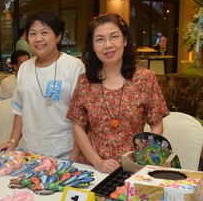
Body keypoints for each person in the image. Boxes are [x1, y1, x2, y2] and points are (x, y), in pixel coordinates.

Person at [67, 12, 169, 174]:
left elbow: (156, 123)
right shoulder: (84, 82)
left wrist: (144, 157)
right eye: (100, 39)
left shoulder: (145, 78)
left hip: (133, 168)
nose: (108, 45)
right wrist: (98, 162)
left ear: (125, 40)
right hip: (93, 168)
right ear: (92, 46)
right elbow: (78, 127)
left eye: (114, 37)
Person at [0, 11, 85, 159]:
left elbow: (82, 118)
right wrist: (13, 141)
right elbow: (19, 109)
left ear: (58, 36)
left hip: (65, 154)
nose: (38, 39)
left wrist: (74, 157)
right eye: (33, 34)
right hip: (31, 154)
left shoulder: (74, 66)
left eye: (44, 32)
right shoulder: (24, 68)